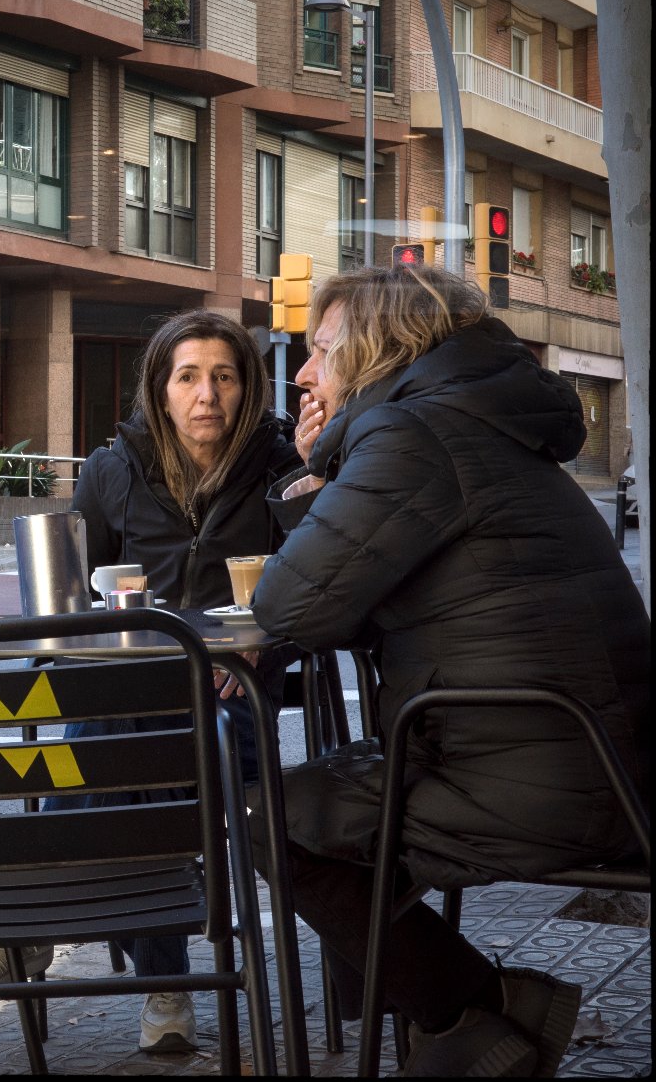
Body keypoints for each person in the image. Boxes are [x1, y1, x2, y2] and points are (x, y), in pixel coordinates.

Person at [242, 265, 649, 1078]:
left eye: (321, 350)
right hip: (600, 759)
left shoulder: (414, 436)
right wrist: (325, 476)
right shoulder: (479, 423)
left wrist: (311, 478)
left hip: (541, 781)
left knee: (273, 817)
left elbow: (292, 607)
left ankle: (478, 1013)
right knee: (336, 808)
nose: (303, 373)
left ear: (373, 351)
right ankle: (449, 1026)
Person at [0, 308, 302, 1053]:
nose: (207, 395)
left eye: (224, 377)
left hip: (229, 704)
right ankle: (164, 984)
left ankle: (36, 934)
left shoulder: (284, 467)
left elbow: (320, 588)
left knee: (129, 752)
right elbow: (69, 609)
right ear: (159, 390)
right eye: (188, 377)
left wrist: (268, 648)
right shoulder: (111, 470)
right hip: (123, 694)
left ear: (248, 387)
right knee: (120, 740)